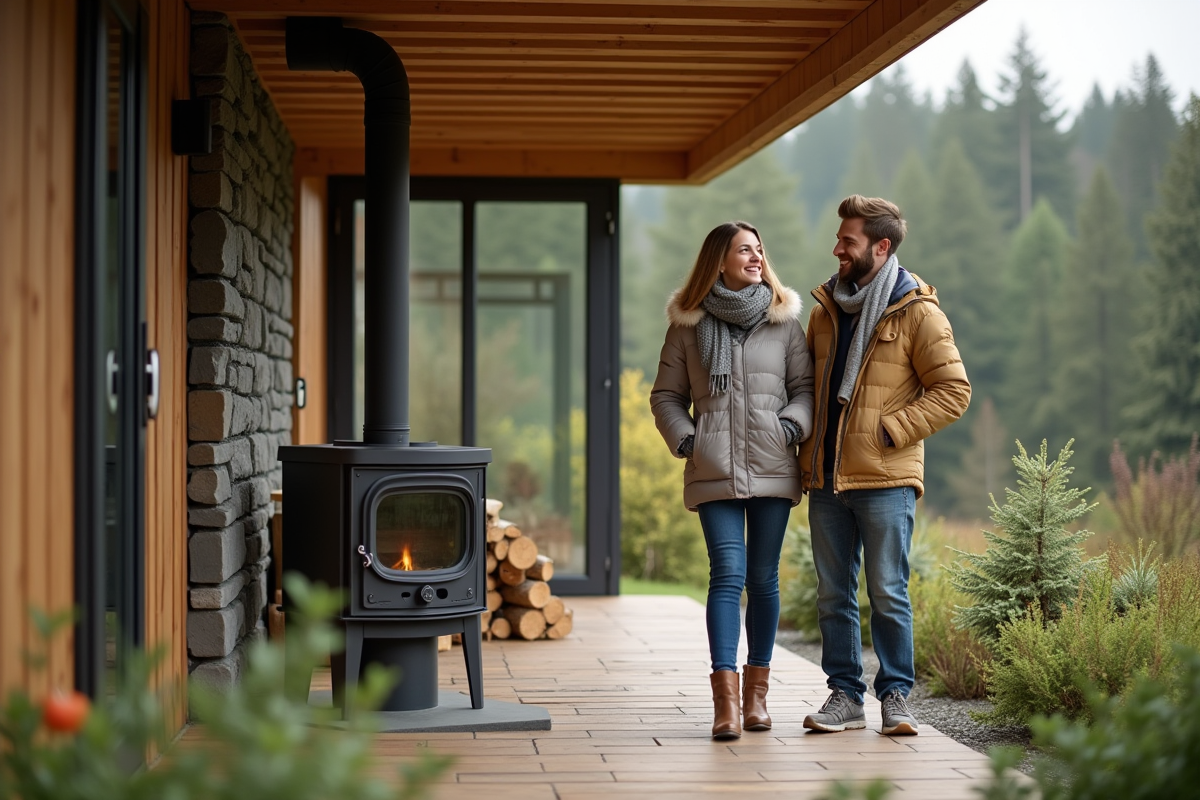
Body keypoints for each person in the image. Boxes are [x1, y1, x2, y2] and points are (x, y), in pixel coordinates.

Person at [799, 195, 970, 736]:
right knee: (833, 594)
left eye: (847, 241)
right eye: (838, 239)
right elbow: (807, 386)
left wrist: (891, 430)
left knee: (888, 591)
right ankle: (844, 697)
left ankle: (896, 697)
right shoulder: (825, 309)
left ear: (881, 246)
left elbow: (953, 391)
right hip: (826, 477)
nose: (837, 250)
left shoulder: (918, 311)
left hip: (886, 477)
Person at [650, 221, 814, 740]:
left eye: (760, 250)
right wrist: (686, 440)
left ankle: (756, 699)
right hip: (713, 467)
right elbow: (665, 396)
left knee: (763, 580)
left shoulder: (783, 321)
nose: (756, 257)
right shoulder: (687, 325)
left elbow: (804, 388)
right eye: (745, 250)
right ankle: (724, 706)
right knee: (727, 572)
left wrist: (790, 425)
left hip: (772, 465)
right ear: (718, 261)